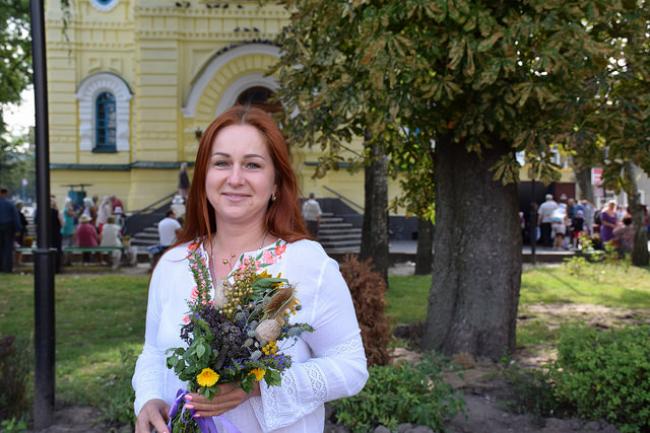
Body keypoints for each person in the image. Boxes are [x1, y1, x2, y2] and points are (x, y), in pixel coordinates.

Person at [132, 106, 368, 433]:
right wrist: (148, 399)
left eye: (252, 165)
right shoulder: (174, 264)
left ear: (276, 183)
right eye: (221, 163)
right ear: (203, 177)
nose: (235, 178)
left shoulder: (306, 264)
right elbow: (154, 353)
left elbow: (351, 367)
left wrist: (259, 386)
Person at [0, 188, 22, 273]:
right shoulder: (10, 204)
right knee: (8, 248)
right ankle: (7, 268)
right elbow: (15, 217)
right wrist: (18, 229)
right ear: (5, 194)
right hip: (8, 227)